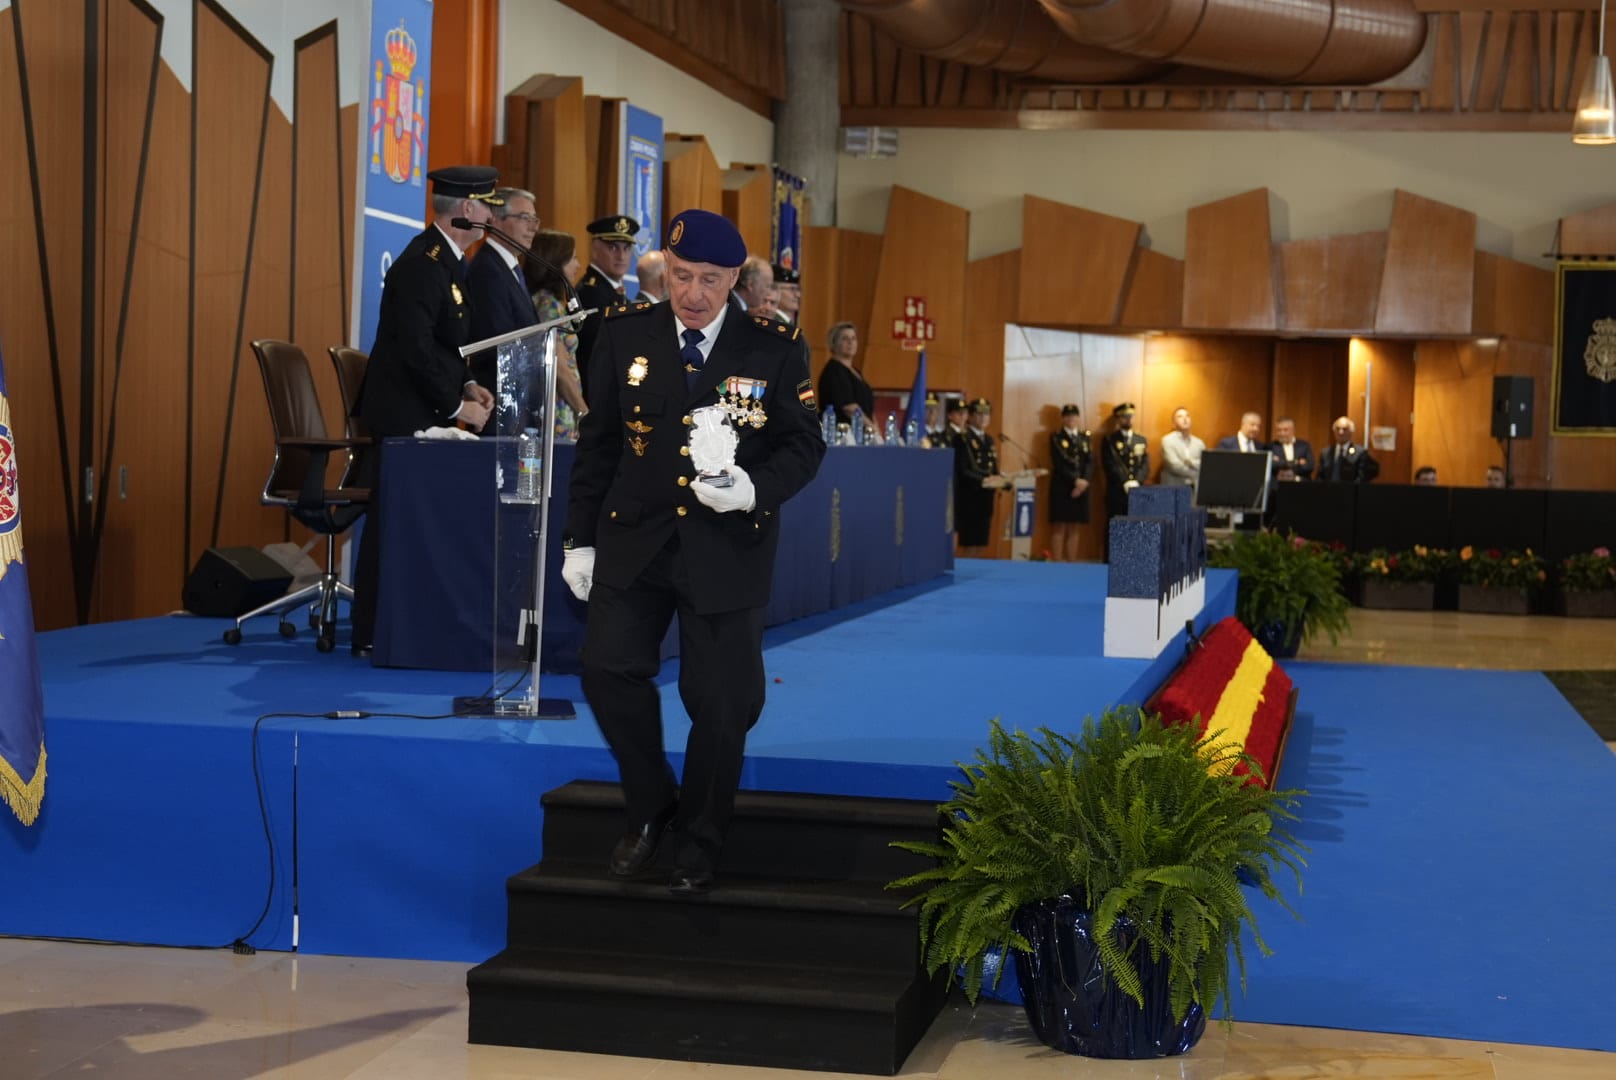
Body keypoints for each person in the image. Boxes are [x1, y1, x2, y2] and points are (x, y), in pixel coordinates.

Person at [559, 209, 825, 895]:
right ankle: (650, 808)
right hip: (636, 536)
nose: (694, 293)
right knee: (607, 669)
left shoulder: (771, 343)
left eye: (710, 279)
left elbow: (803, 444)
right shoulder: (622, 334)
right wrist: (578, 540)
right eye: (681, 276)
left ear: (735, 278)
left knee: (724, 700)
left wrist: (752, 490)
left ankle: (701, 834)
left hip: (725, 542)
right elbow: (599, 447)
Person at [350, 166, 500, 657]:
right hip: (401, 416)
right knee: (394, 524)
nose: (491, 215)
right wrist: (456, 405)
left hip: (424, 408)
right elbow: (413, 348)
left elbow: (447, 345)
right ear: (467, 209)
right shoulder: (423, 262)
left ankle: (414, 624)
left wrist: (472, 384)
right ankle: (374, 630)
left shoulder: (450, 262)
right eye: (487, 206)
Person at [466, 186, 541, 402]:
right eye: (524, 218)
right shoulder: (487, 270)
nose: (533, 227)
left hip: (520, 397)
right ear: (496, 220)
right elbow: (497, 341)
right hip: (498, 398)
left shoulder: (510, 269)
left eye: (535, 219)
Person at [573, 215, 641, 398]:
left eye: (626, 248)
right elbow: (599, 351)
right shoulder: (591, 292)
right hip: (597, 391)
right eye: (613, 248)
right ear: (594, 249)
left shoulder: (612, 289)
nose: (621, 256)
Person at [525, 228, 588, 421]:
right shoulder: (548, 306)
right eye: (573, 258)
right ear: (556, 261)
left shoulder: (550, 302)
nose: (578, 265)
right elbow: (559, 367)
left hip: (563, 406)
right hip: (558, 408)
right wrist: (584, 412)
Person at [954, 398, 1008, 557]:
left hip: (986, 497)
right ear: (970, 416)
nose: (983, 418)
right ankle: (963, 576)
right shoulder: (962, 438)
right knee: (969, 542)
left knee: (981, 541)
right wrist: (983, 480)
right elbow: (962, 469)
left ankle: (973, 576)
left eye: (986, 414)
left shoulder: (989, 439)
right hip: (970, 496)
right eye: (979, 414)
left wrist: (1006, 481)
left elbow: (993, 468)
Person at [1047, 404, 1093, 561]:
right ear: (1063, 418)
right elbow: (1059, 463)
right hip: (1062, 486)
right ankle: (1058, 563)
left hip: (1082, 488)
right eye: (1068, 416)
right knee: (1059, 526)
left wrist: (1084, 481)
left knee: (1075, 527)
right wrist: (1075, 481)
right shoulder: (1056, 437)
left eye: (1074, 416)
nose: (1071, 419)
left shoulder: (1084, 437)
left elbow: (1090, 462)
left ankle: (1072, 564)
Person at [817, 322, 874, 425]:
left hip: (861, 432)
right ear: (834, 343)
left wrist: (875, 430)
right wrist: (873, 430)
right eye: (845, 338)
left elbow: (868, 408)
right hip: (842, 434)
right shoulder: (833, 371)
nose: (850, 342)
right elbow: (850, 408)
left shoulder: (856, 371)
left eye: (853, 338)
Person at [1101, 402, 1149, 524]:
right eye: (1125, 416)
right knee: (1116, 526)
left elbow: (1145, 464)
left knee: (1136, 526)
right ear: (1118, 418)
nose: (1128, 419)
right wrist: (1125, 481)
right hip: (1117, 491)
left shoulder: (1140, 440)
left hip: (1137, 490)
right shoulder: (1110, 440)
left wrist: (1137, 481)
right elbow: (1110, 464)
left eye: (1131, 416)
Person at [1318, 416, 1380, 483]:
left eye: (1345, 429)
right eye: (1337, 429)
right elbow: (1320, 477)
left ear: (1351, 432)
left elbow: (1361, 478)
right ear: (1334, 431)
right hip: (1328, 491)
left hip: (1350, 491)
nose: (1340, 432)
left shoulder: (1360, 453)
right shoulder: (1325, 453)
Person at [1159, 406, 1204, 487]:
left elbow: (1204, 464)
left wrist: (1190, 462)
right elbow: (1174, 466)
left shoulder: (1199, 443)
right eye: (1180, 416)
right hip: (1174, 488)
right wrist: (1195, 473)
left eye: (1187, 416)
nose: (1185, 419)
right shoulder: (1167, 441)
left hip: (1194, 489)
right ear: (1173, 423)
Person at [1268, 417, 1314, 481]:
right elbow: (1271, 466)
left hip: (1301, 484)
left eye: (1285, 430)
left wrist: (1281, 462)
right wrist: (1296, 462)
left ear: (1293, 430)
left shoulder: (1304, 446)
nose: (1282, 433)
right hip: (1278, 484)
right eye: (1279, 430)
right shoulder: (1271, 446)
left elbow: (1309, 467)